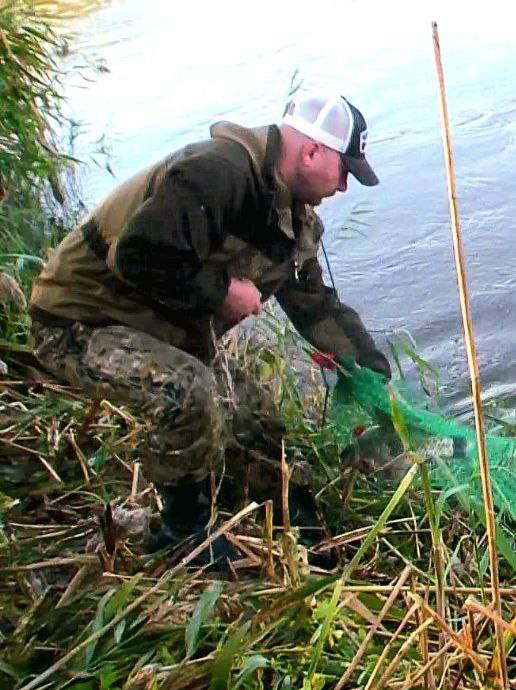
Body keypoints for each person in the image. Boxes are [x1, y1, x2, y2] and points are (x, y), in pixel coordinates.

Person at [27, 91, 391, 556]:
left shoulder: (292, 219)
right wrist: (222, 292)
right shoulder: (217, 172)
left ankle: (297, 524)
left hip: (160, 329)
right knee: (188, 391)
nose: (344, 187)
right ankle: (183, 536)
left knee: (259, 423)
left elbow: (316, 307)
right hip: (80, 321)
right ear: (312, 151)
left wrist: (376, 375)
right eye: (344, 172)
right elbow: (138, 255)